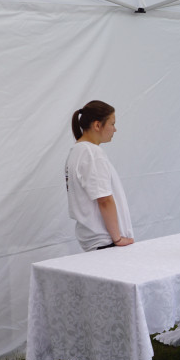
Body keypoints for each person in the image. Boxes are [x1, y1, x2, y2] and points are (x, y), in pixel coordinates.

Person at [65, 100, 134, 252]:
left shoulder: (76, 151)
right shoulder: (92, 153)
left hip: (95, 239)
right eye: (112, 124)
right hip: (105, 241)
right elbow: (104, 199)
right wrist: (117, 238)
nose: (115, 129)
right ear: (97, 125)